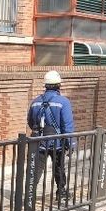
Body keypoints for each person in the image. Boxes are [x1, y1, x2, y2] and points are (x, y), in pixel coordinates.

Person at [27, 70, 75, 201]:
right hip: (57, 143)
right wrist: (71, 143)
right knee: (59, 168)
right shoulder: (63, 102)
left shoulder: (35, 101)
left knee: (35, 169)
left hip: (38, 142)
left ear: (45, 85)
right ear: (59, 85)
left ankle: (29, 195)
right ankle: (61, 192)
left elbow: (30, 122)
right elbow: (67, 126)